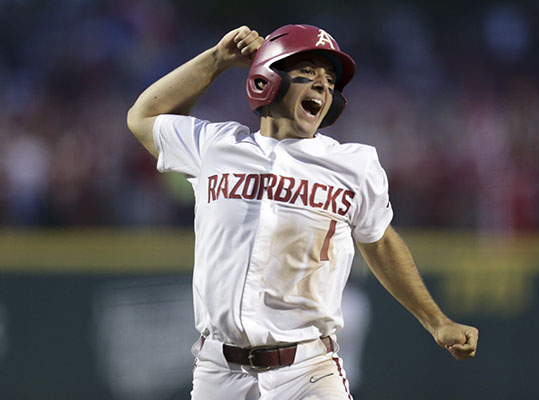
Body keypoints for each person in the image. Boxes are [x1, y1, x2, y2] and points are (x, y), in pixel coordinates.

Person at [127, 24, 478, 400]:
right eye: (308, 73)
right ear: (267, 80)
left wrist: (436, 321)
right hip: (219, 372)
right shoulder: (215, 147)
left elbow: (380, 242)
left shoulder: (353, 165)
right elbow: (142, 117)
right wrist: (217, 59)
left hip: (307, 372)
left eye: (330, 81)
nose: (323, 87)